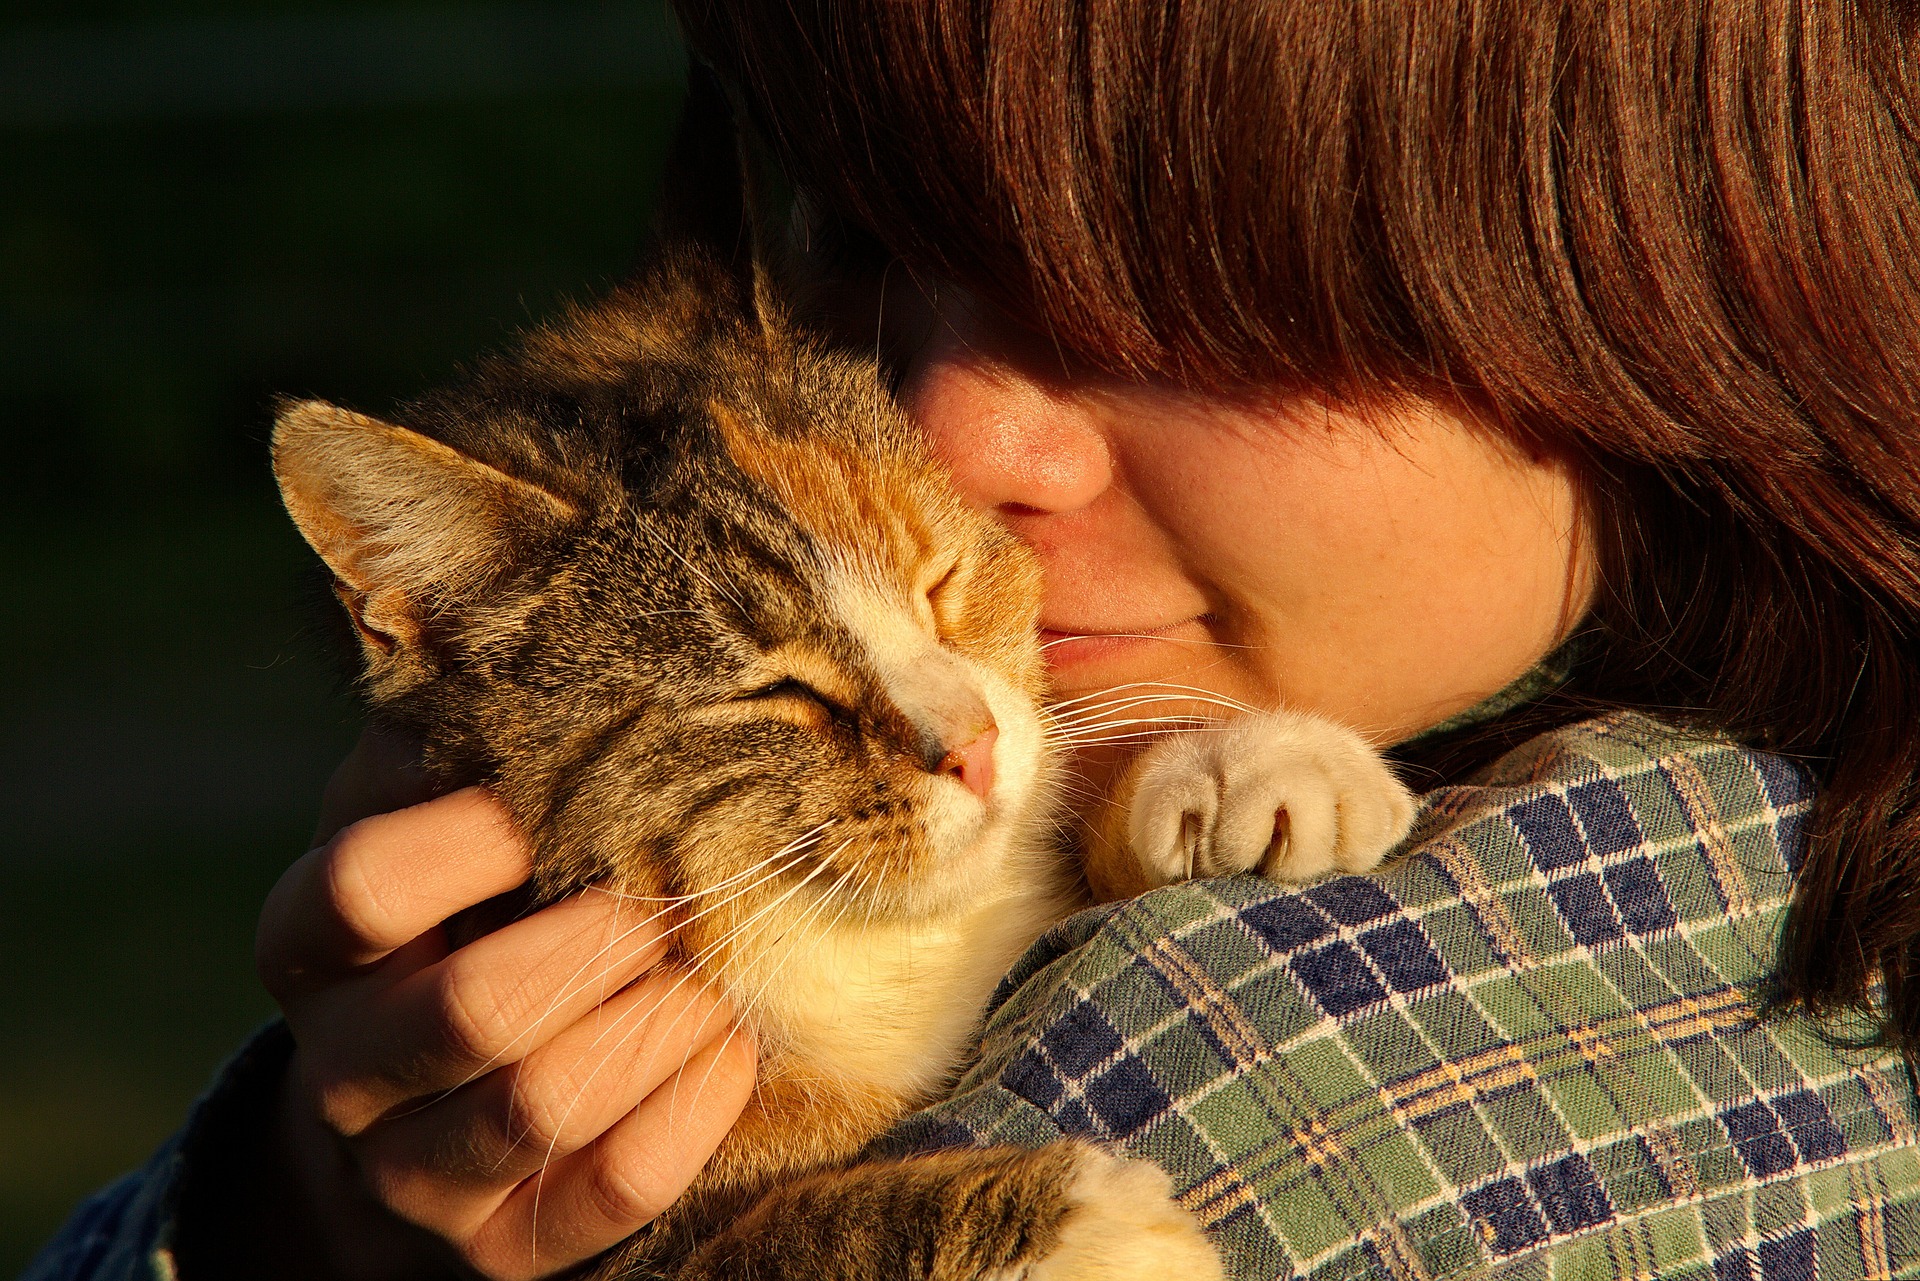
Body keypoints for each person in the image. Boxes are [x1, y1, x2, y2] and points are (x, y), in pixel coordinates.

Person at [27, 0, 1920, 1277]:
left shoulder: (1254, 1094)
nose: (940, 448)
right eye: (864, 241)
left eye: (1154, 293)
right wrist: (304, 1200)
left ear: (1663, 254)